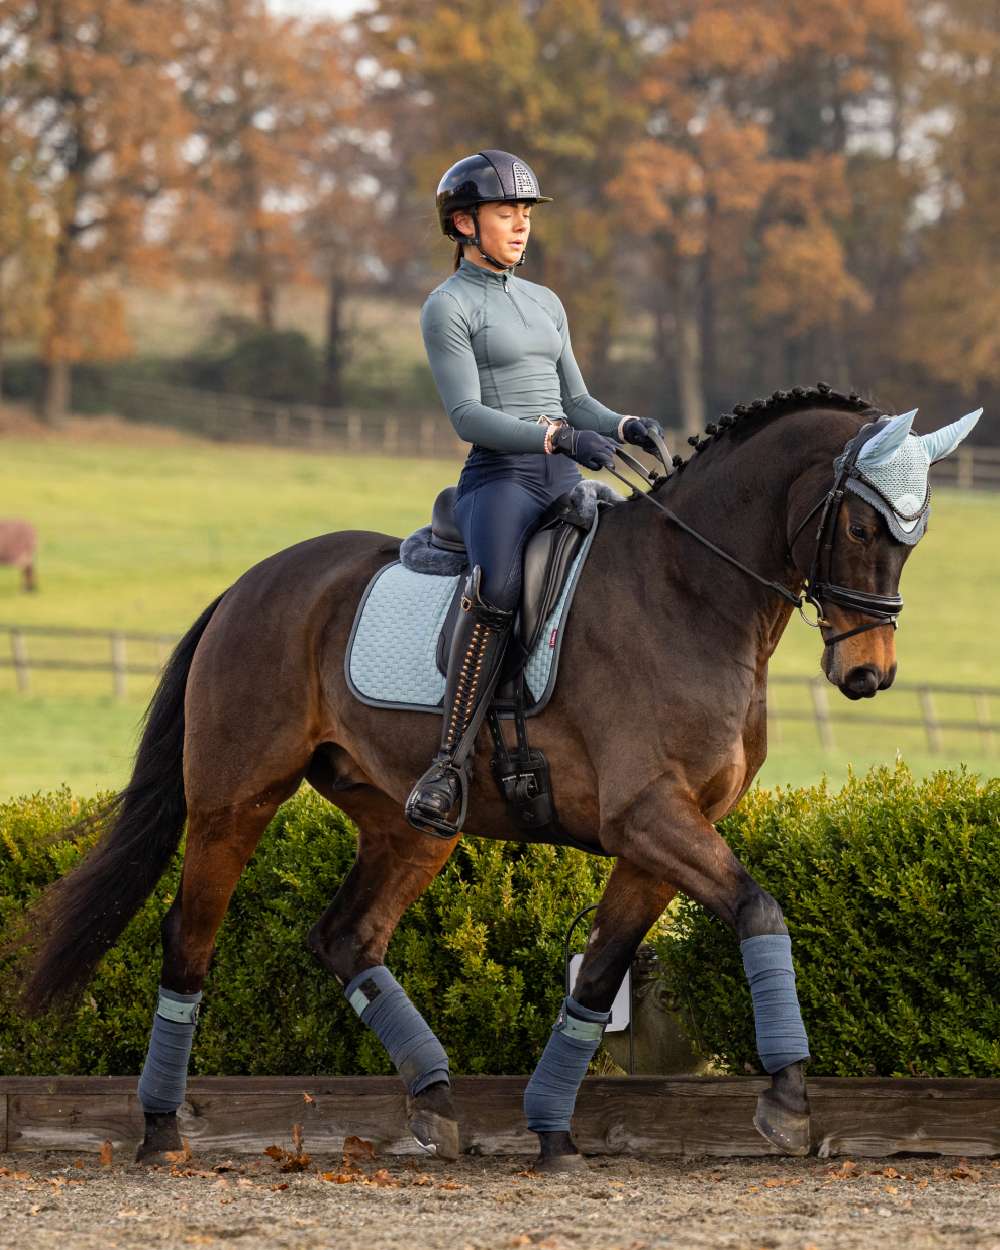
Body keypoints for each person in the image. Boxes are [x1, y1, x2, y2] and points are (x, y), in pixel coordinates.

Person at [404, 148, 664, 838]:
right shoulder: (448, 307)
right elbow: (467, 417)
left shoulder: (545, 301)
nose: (520, 225)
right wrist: (552, 438)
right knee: (496, 588)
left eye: (525, 212)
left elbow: (576, 399)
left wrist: (626, 424)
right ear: (464, 222)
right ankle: (449, 764)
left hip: (562, 476)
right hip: (501, 481)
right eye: (504, 212)